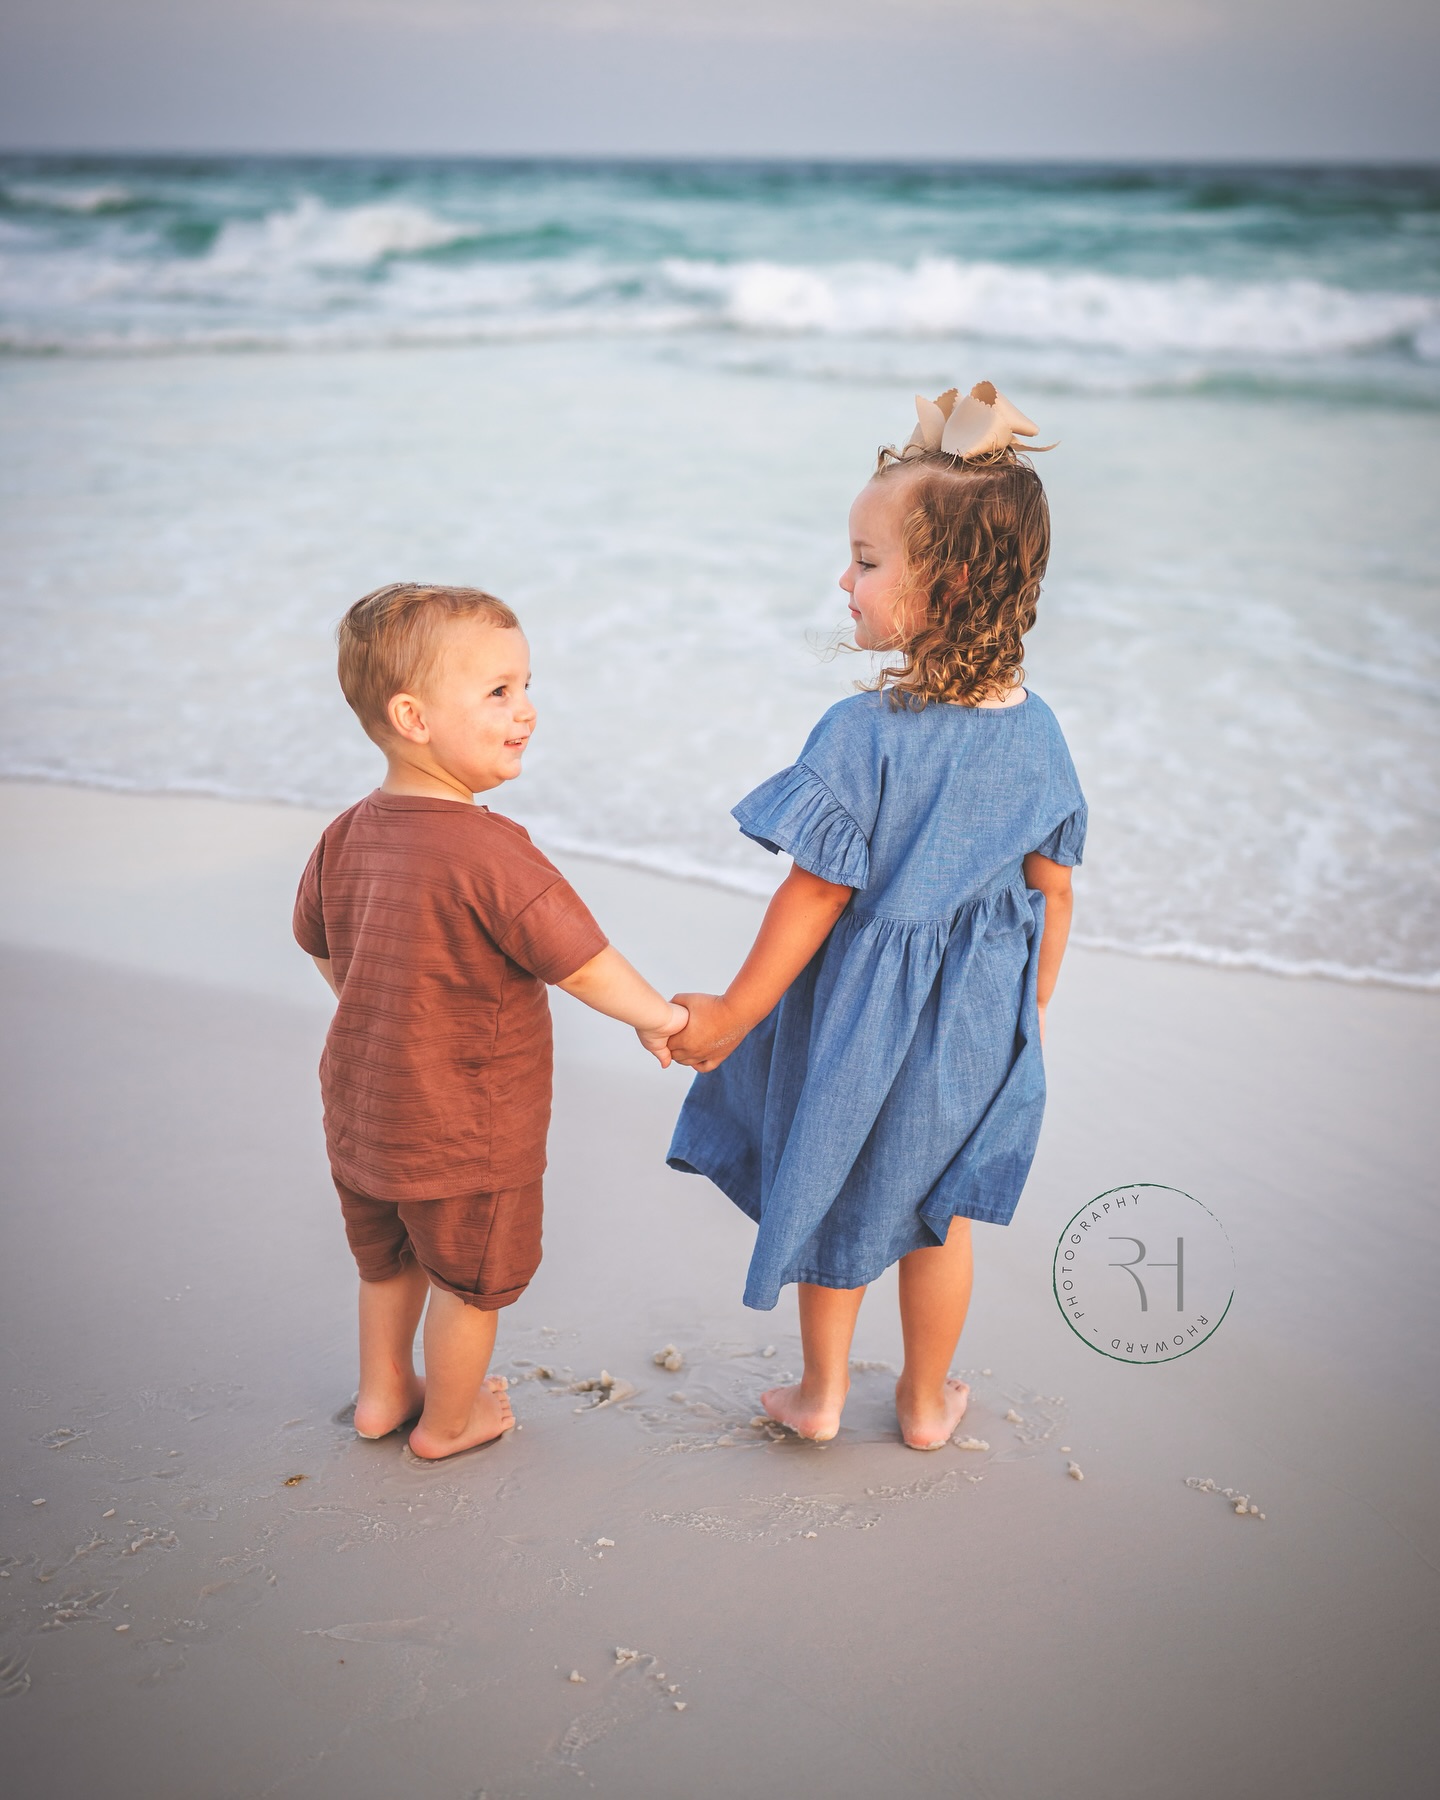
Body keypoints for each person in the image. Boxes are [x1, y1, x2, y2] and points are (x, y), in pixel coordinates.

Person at [665, 383, 1086, 1451]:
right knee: (937, 1218)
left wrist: (734, 1013)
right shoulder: (1039, 732)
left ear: (946, 583)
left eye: (863, 561)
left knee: (840, 1192)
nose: (842, 581)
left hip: (859, 1016)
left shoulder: (863, 733)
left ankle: (819, 1398)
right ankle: (924, 1403)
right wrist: (1029, 1012)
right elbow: (1053, 887)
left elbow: (814, 893)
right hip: (977, 1024)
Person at [294, 583, 687, 1461]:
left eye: (526, 686)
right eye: (499, 692)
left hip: (364, 1113)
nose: (527, 710)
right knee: (468, 1282)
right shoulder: (490, 851)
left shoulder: (345, 835)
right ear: (414, 717)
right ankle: (449, 1422)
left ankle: (382, 1395)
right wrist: (657, 1016)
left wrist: (388, 1014)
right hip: (466, 1130)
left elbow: (324, 947)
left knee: (387, 1261)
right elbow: (581, 961)